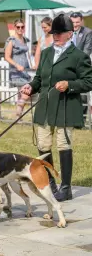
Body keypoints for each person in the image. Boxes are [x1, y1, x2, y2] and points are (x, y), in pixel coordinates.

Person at [21, 14, 92, 202]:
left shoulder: (79, 56)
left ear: (70, 33)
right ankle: (50, 183)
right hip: (45, 106)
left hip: (66, 107)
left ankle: (66, 188)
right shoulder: (45, 53)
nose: (56, 36)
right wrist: (31, 86)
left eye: (60, 33)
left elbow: (88, 81)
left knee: (63, 144)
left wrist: (70, 85)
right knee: (43, 145)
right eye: (54, 33)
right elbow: (39, 79)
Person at [4, 19, 33, 119]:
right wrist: (17, 65)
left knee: (22, 94)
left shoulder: (25, 39)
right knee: (25, 93)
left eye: (22, 27)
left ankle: (18, 116)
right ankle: (18, 116)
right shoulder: (11, 40)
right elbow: (7, 57)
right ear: (14, 28)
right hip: (16, 71)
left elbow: (27, 53)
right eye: (18, 27)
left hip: (25, 70)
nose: (20, 29)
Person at [70, 12, 92, 122]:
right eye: (73, 22)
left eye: (77, 22)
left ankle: (81, 121)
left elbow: (86, 52)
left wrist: (75, 63)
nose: (75, 25)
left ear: (81, 21)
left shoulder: (88, 32)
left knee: (83, 95)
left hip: (81, 68)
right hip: (67, 68)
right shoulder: (65, 31)